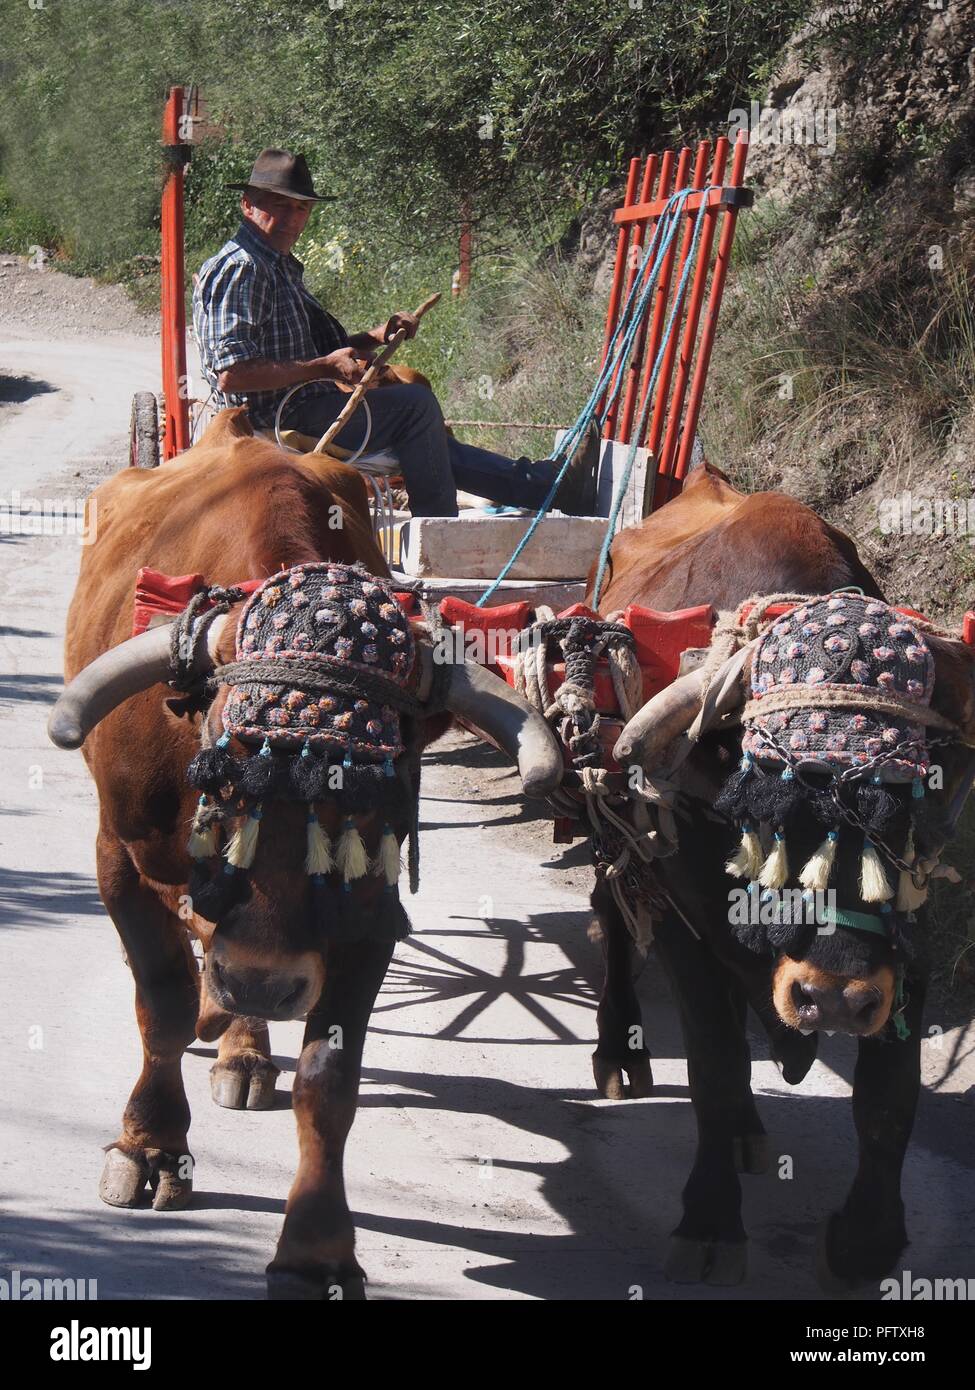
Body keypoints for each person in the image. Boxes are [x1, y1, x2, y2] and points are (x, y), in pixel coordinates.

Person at [192, 148, 598, 518]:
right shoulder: (244, 267)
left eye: (301, 208)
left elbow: (307, 350)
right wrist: (323, 369)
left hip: (300, 405)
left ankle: (549, 486)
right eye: (279, 205)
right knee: (414, 406)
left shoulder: (276, 264)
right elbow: (232, 372)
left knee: (426, 437)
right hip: (278, 417)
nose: (292, 218)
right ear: (248, 205)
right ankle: (440, 527)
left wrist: (376, 336)